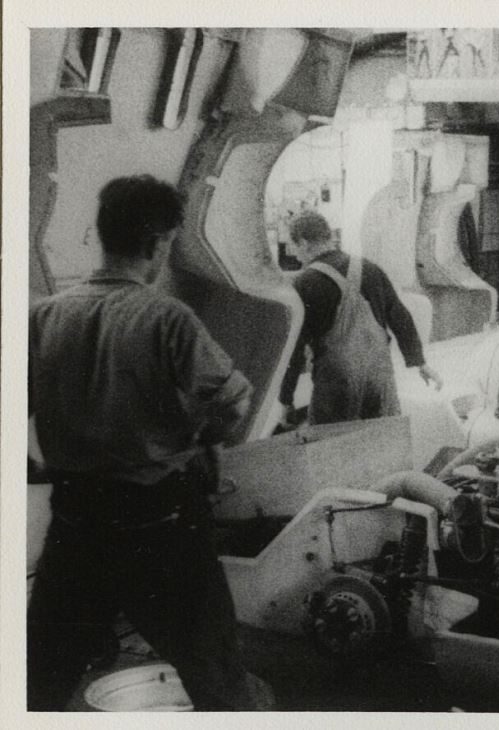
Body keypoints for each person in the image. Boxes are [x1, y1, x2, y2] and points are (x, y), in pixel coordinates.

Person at [28, 175, 272, 710]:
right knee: (215, 676)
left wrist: (38, 464)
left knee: (40, 680)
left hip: (75, 527)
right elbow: (233, 404)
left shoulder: (43, 316)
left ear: (103, 234)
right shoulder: (167, 318)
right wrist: (202, 438)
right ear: (159, 242)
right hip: (160, 528)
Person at [279, 210, 441, 426]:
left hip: (336, 387)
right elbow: (400, 317)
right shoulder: (371, 270)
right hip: (379, 383)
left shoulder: (305, 282)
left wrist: (286, 399)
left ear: (305, 243)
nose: (296, 256)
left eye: (294, 246)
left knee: (333, 451)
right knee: (380, 445)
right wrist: (419, 362)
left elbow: (294, 348)